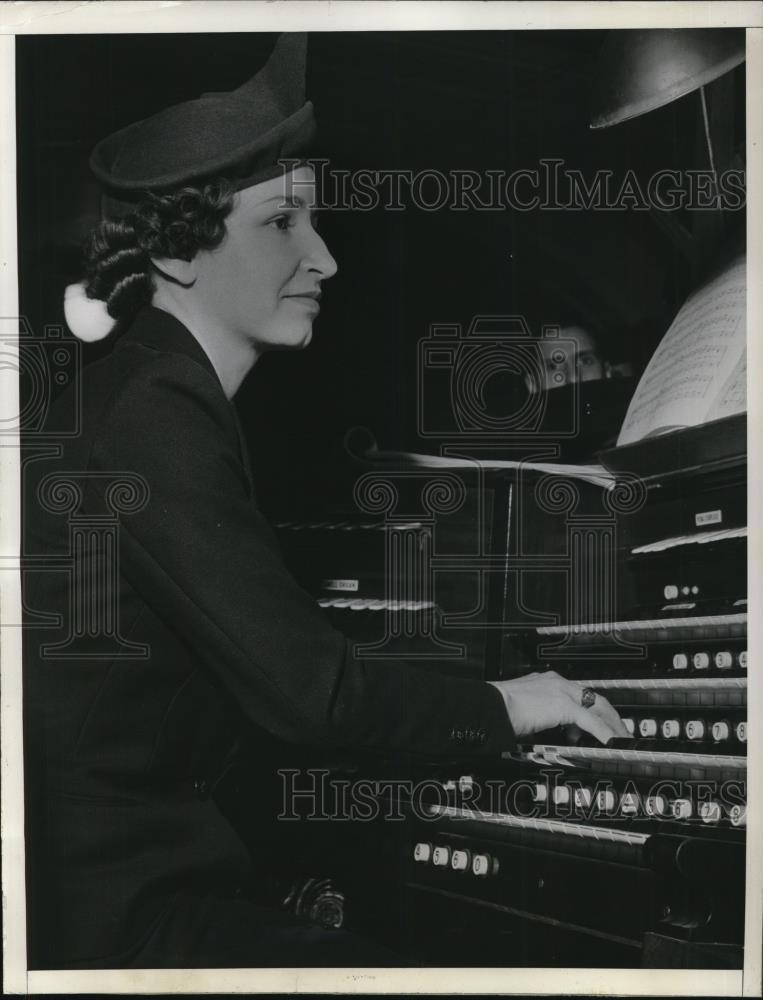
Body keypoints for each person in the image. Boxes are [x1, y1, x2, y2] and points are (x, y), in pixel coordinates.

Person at [22, 34, 627, 970]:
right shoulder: (154, 412)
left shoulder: (144, 388)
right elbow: (319, 696)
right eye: (281, 225)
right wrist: (510, 703)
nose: (326, 260)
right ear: (180, 252)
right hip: (111, 915)